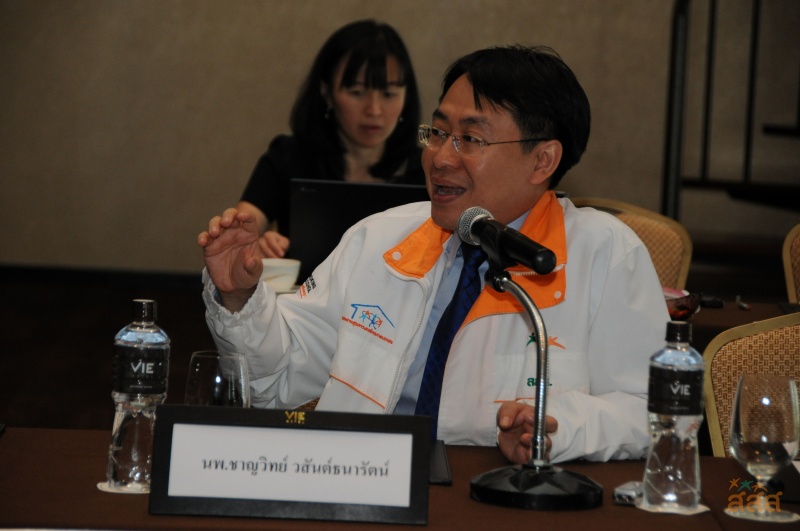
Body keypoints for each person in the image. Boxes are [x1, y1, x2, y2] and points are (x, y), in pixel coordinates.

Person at [198, 45, 670, 465]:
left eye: (471, 139)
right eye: (439, 132)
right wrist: (241, 299)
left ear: (542, 160)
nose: (441, 158)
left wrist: (558, 426)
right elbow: (281, 378)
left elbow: (655, 413)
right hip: (360, 483)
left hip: (499, 503)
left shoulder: (605, 254)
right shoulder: (379, 238)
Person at [237, 19, 424, 258]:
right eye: (357, 92)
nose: (374, 110)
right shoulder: (288, 157)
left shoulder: (429, 169)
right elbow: (240, 231)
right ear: (326, 92)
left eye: (389, 94)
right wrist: (257, 246)